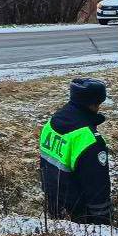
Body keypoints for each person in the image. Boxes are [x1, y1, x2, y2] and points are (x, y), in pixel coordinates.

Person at [39, 78, 112, 225]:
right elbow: (97, 187)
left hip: (55, 203)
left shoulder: (51, 123)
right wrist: (103, 222)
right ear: (95, 103)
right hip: (79, 215)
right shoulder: (90, 141)